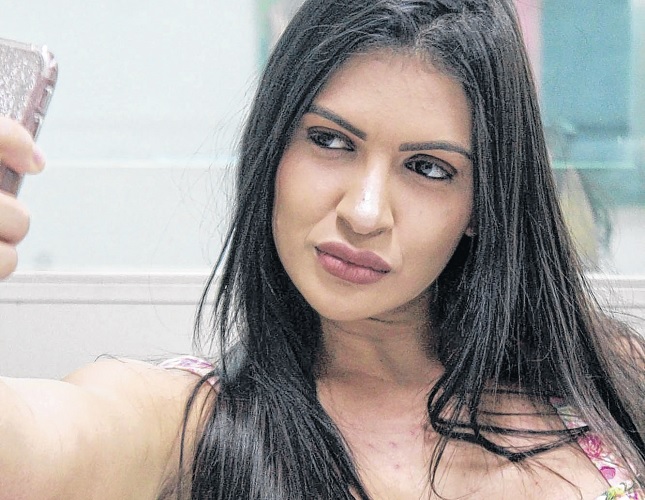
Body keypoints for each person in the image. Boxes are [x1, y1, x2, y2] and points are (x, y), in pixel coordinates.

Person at [1, 0, 644, 498]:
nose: (364, 213)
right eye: (331, 141)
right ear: (273, 147)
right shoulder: (187, 425)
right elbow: (34, 447)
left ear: (482, 204)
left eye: (427, 168)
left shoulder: (610, 382)